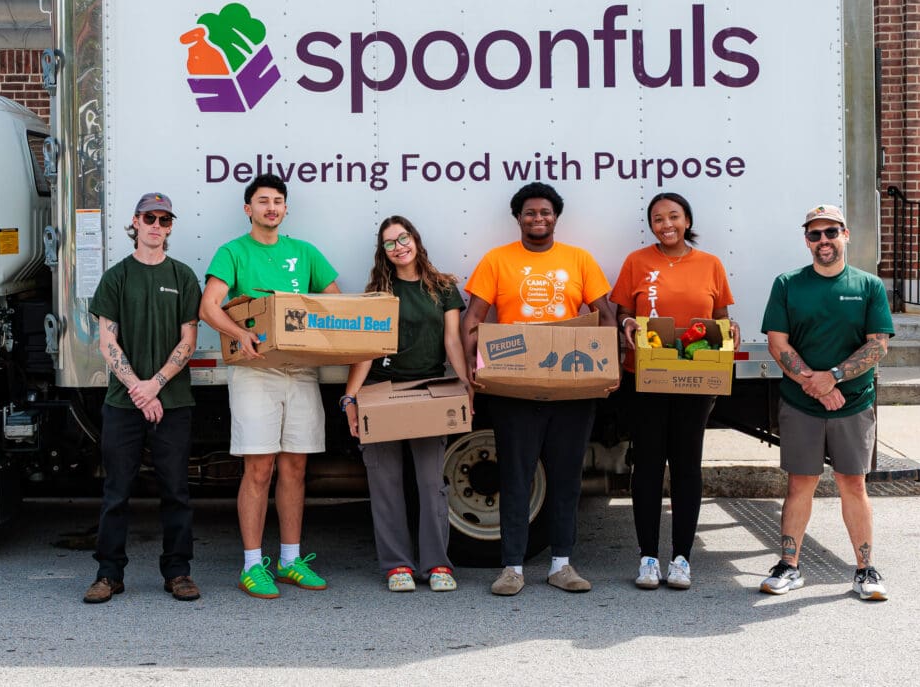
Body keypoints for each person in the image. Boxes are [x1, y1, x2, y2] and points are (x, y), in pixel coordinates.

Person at [460, 182, 617, 596]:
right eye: (530, 213)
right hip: (514, 387)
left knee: (566, 478)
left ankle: (562, 566)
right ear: (518, 218)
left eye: (545, 212)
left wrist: (608, 366)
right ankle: (512, 568)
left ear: (555, 217)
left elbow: (604, 316)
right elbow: (472, 317)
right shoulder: (497, 261)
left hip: (571, 388)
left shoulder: (579, 260)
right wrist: (473, 367)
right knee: (516, 476)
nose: (538, 219)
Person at [199, 174, 341, 599]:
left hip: (300, 372)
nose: (272, 208)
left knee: (295, 467)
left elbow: (335, 303)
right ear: (248, 209)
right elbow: (209, 306)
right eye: (263, 201)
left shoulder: (305, 253)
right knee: (259, 467)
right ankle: (251, 564)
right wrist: (240, 334)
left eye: (278, 201)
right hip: (255, 372)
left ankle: (290, 560)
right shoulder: (233, 253)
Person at [758, 204, 895, 602]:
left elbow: (878, 345)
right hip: (802, 403)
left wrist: (833, 376)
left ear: (845, 235)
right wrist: (814, 384)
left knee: (853, 483)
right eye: (815, 234)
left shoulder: (868, 286)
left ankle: (865, 570)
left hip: (852, 403)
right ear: (806, 240)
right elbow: (777, 343)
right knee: (800, 483)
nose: (824, 241)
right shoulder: (787, 284)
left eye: (831, 232)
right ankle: (789, 566)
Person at [611, 192, 735, 592]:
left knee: (686, 466)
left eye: (674, 216)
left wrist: (729, 332)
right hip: (645, 376)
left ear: (687, 221)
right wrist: (628, 323)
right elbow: (620, 313)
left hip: (695, 380)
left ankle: (681, 558)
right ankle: (648, 557)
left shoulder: (710, 264)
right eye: (658, 218)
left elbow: (721, 319)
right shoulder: (637, 261)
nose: (666, 224)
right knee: (646, 465)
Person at [85, 192, 203, 604]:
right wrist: (139, 389)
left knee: (176, 491)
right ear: (135, 222)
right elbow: (107, 341)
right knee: (117, 491)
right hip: (123, 403)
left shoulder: (184, 276)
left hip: (172, 402)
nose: (156, 225)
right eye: (149, 217)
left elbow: (189, 340)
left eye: (164, 219)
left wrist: (155, 385)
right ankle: (109, 574)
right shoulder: (116, 277)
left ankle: (178, 572)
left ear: (170, 227)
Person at [343, 216, 471, 594]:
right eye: (389, 243)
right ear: (382, 252)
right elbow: (367, 350)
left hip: (429, 390)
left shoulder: (443, 288)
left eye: (404, 237)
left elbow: (451, 342)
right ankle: (396, 564)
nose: (399, 246)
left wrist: (465, 385)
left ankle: (436, 564)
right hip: (381, 391)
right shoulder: (379, 291)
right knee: (385, 483)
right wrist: (350, 398)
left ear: (416, 239)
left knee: (432, 483)